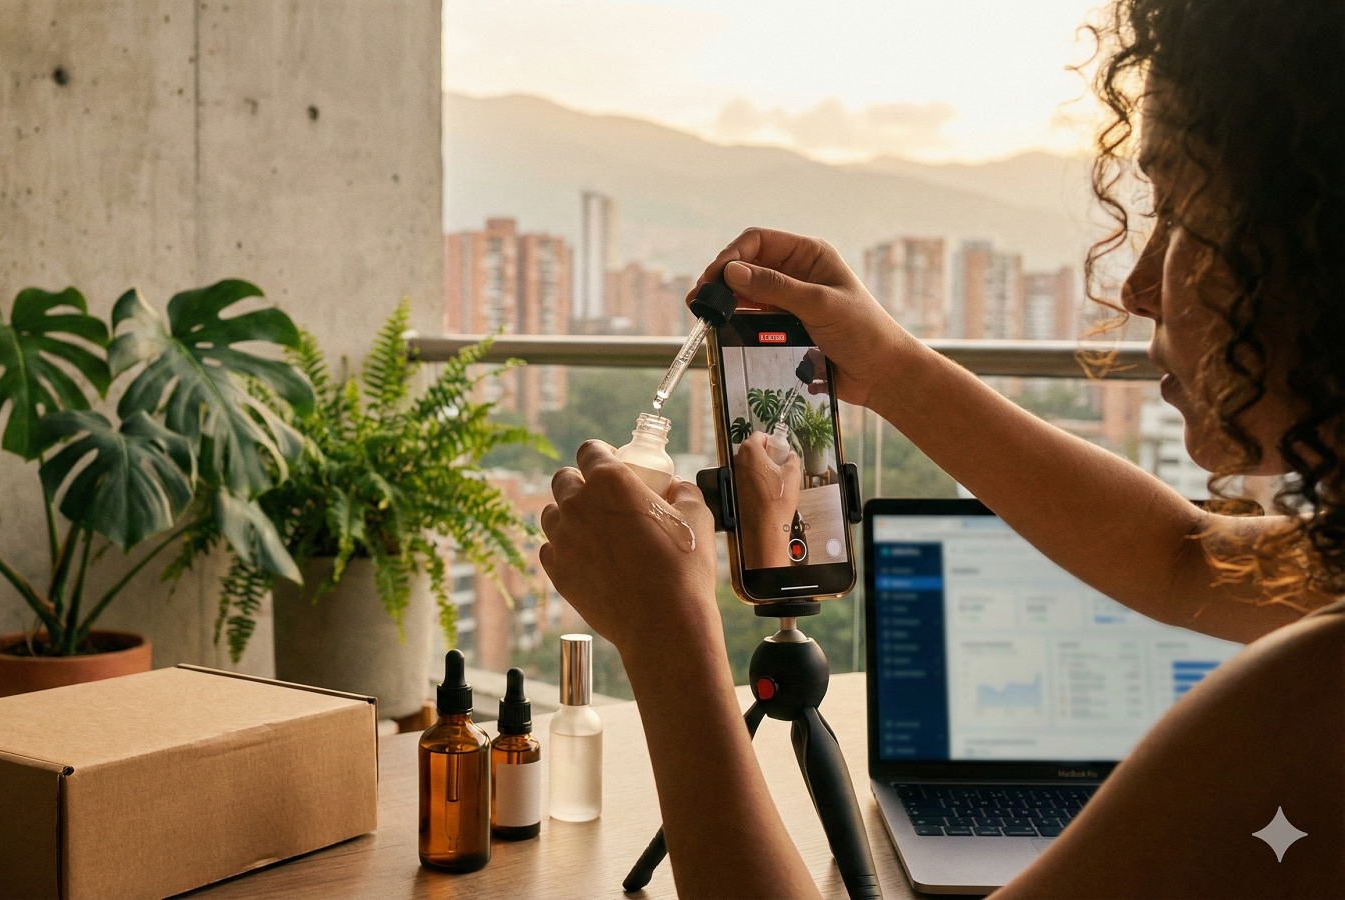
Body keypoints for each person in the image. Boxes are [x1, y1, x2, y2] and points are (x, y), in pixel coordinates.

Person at [536, 0, 1343, 896]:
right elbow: (1184, 558)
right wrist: (889, 368)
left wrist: (668, 634)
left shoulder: (1313, 701)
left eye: (1186, 213)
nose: (1142, 283)